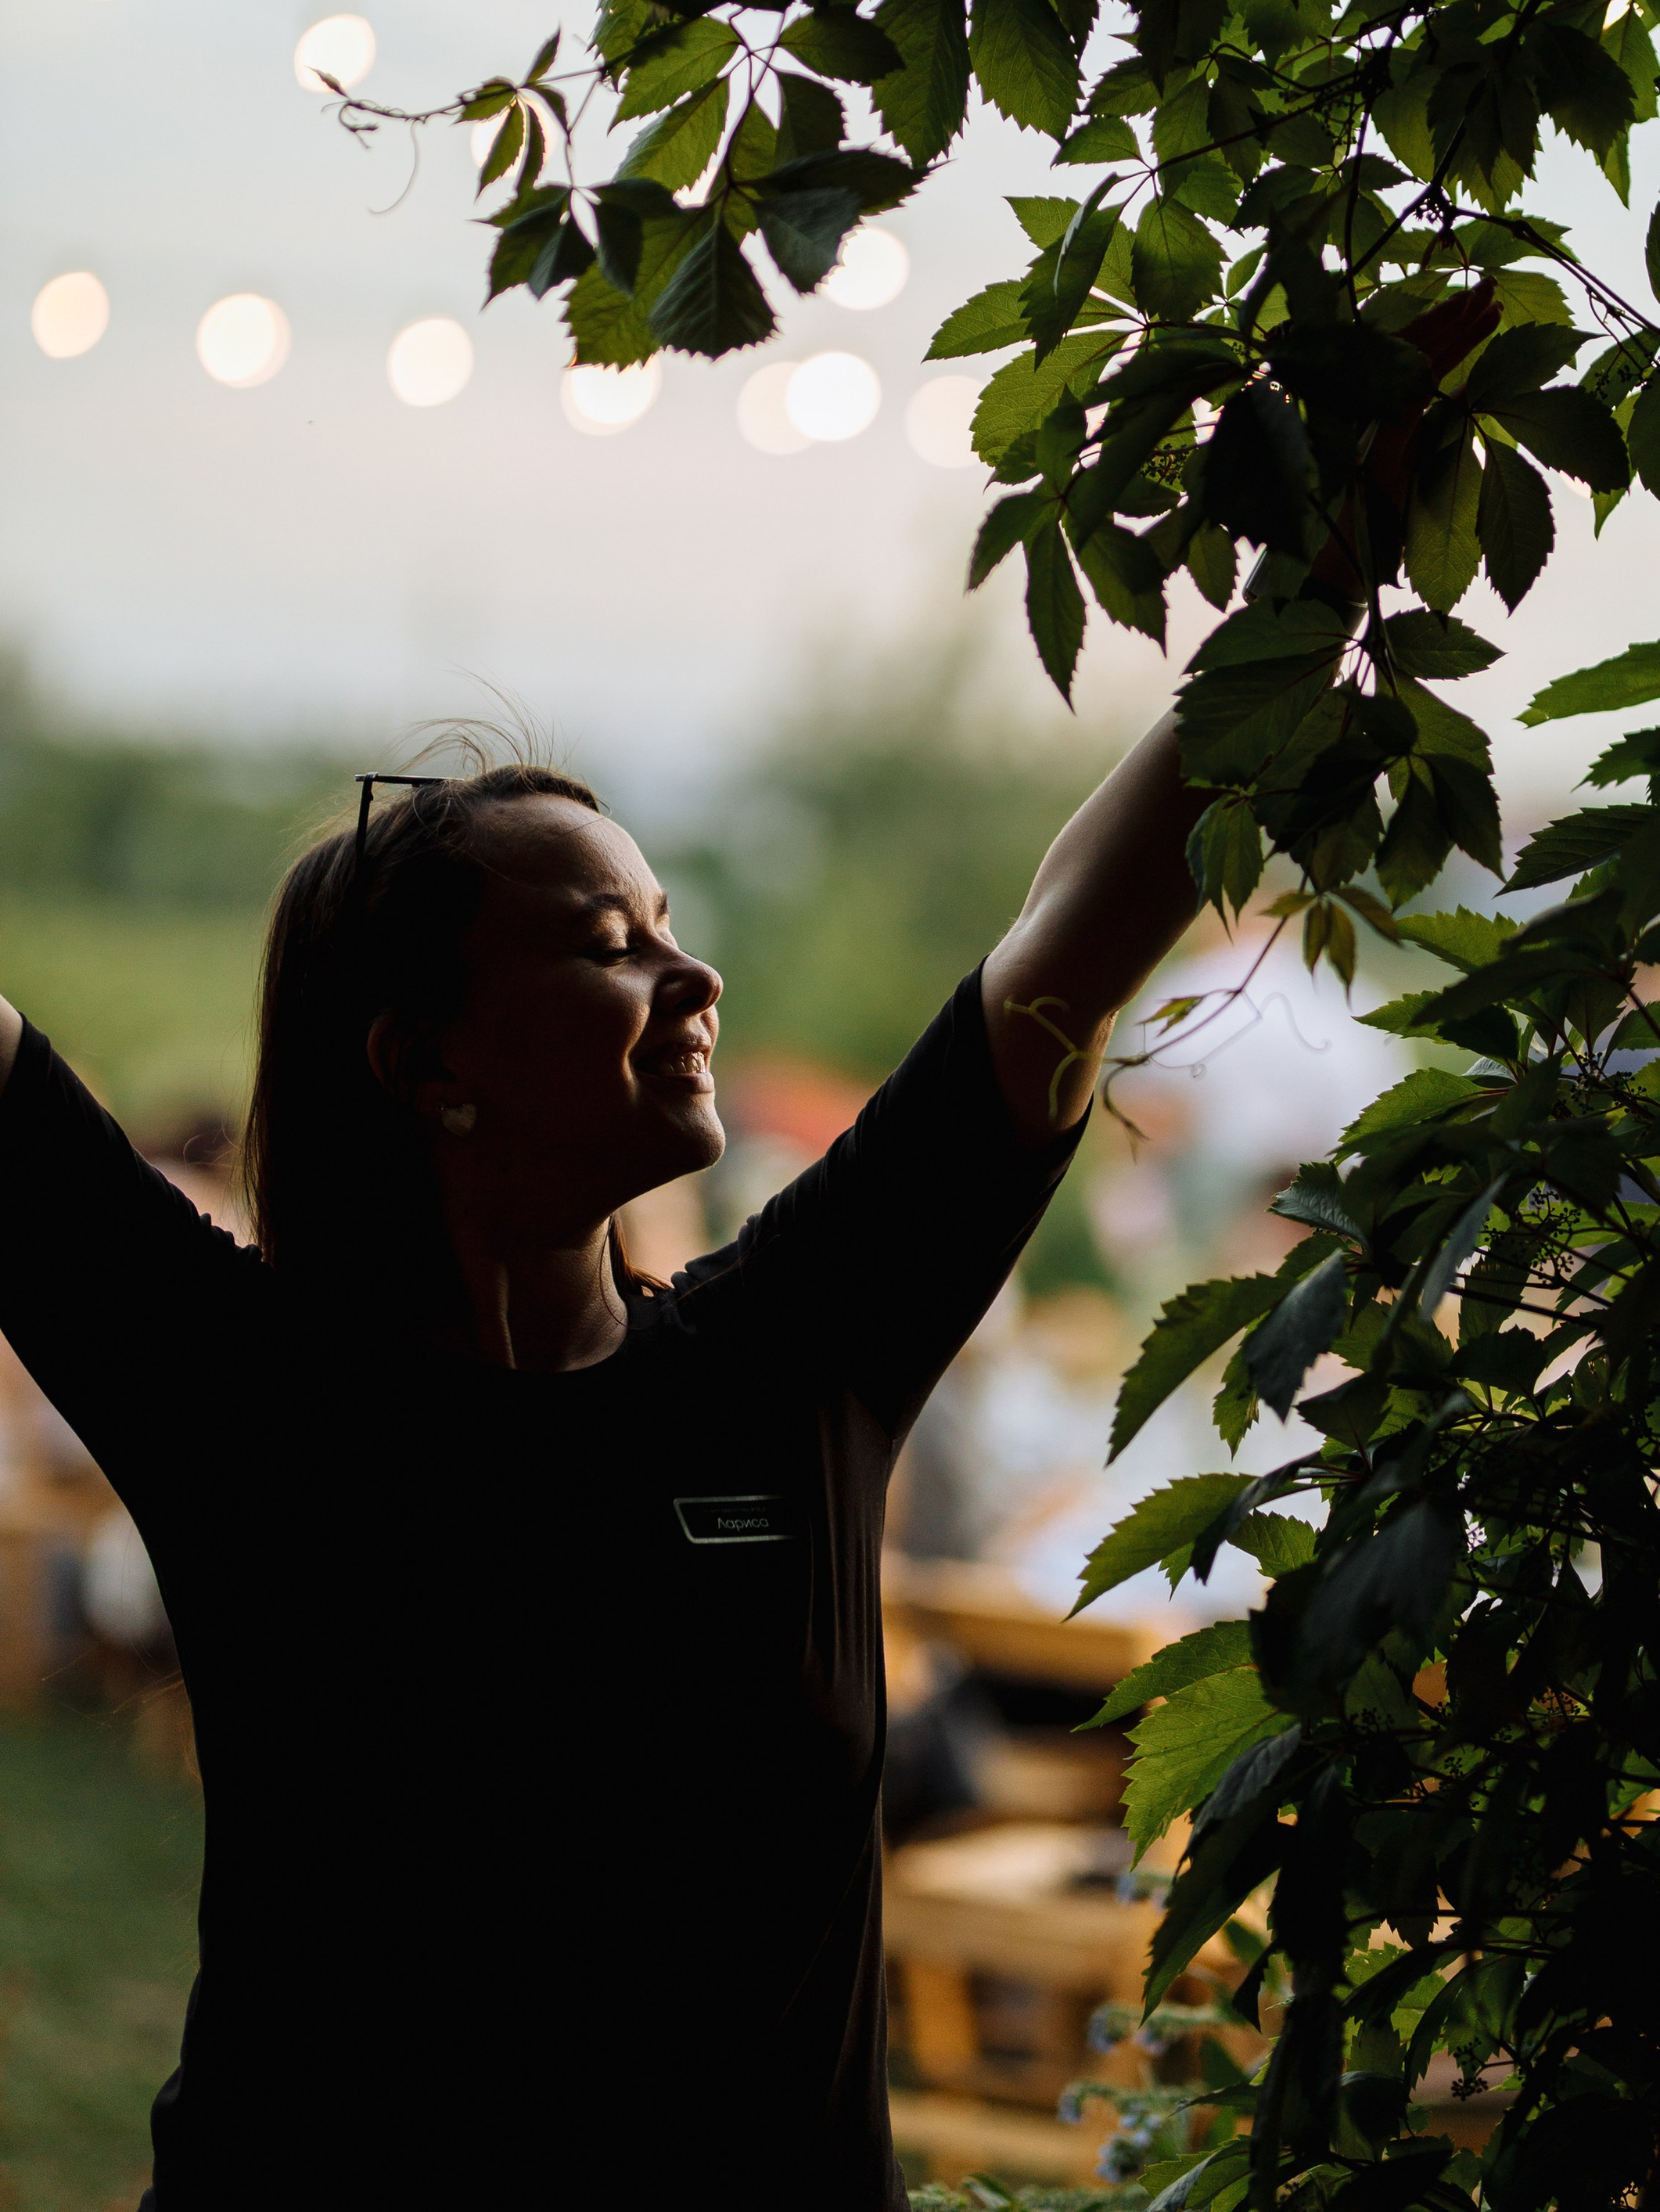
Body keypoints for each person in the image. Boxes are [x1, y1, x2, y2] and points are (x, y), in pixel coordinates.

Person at [0, 721, 1210, 2210]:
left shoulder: (788, 1358)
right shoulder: (250, 1393)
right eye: (607, 946)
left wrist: (1315, 588)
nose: (693, 980)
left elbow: (1062, 960)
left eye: (672, 931)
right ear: (423, 1056)